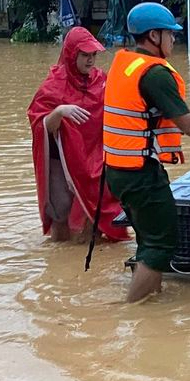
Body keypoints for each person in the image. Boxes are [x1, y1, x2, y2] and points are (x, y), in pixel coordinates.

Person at [103, 3, 190, 302]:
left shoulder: (127, 64)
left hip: (118, 170)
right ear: (154, 35)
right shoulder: (155, 74)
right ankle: (132, 310)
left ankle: (152, 302)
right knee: (162, 245)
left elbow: (153, 116)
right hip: (141, 174)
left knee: (148, 241)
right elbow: (187, 126)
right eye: (170, 34)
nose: (174, 40)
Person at [28, 26, 127, 243]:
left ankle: (88, 255)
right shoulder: (53, 86)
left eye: (93, 55)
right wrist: (60, 111)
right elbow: (40, 125)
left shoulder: (101, 80)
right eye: (85, 55)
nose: (90, 60)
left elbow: (121, 109)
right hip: (61, 162)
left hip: (94, 158)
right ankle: (61, 259)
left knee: (99, 209)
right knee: (60, 214)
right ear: (72, 54)